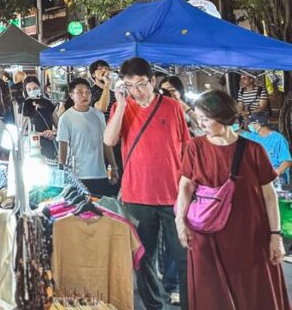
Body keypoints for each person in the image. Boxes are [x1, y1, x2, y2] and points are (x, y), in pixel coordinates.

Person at [176, 90, 292, 309]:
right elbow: (185, 187)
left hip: (249, 235)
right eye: (199, 118)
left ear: (224, 117)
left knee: (251, 290)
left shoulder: (253, 150)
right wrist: (180, 221)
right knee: (210, 293)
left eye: (206, 119)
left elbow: (269, 194)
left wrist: (275, 235)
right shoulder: (195, 147)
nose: (201, 124)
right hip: (206, 233)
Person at [103, 56, 189, 310]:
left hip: (173, 196)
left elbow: (185, 149)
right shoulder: (123, 107)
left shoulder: (173, 107)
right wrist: (119, 104)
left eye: (141, 84)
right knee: (143, 257)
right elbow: (109, 140)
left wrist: (188, 190)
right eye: (130, 85)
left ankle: (189, 302)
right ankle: (153, 305)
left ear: (153, 80)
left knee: (184, 256)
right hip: (137, 195)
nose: (136, 91)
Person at [56, 78, 118, 196]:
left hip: (100, 174)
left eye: (87, 92)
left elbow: (106, 143)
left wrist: (113, 167)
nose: (84, 95)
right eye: (79, 92)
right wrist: (62, 171)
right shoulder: (66, 118)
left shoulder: (98, 115)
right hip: (78, 175)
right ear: (71, 95)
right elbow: (62, 146)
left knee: (101, 211)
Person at [246, 112, 292, 186]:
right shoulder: (253, 136)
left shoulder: (278, 139)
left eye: (251, 123)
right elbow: (237, 134)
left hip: (277, 175)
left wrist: (275, 174)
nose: (249, 126)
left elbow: (287, 162)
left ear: (258, 124)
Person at [20, 76, 57, 161]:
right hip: (31, 147)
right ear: (25, 92)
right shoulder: (23, 106)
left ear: (40, 88)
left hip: (49, 146)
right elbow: (22, 130)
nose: (32, 91)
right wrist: (41, 134)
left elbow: (59, 127)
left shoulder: (48, 104)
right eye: (29, 89)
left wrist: (53, 133)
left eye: (35, 88)